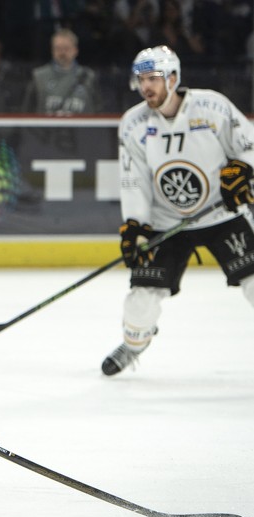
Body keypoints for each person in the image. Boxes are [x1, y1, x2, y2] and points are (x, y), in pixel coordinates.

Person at [101, 45, 254, 375]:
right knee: (140, 301)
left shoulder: (212, 106)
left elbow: (249, 145)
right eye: (141, 80)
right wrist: (135, 226)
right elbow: (134, 180)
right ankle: (133, 345)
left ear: (173, 77)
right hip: (166, 222)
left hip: (222, 215)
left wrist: (242, 169)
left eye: (153, 78)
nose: (146, 87)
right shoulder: (133, 123)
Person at [22, 28, 101, 115]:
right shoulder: (38, 77)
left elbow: (99, 110)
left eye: (66, 48)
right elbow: (27, 112)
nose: (62, 53)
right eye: (58, 48)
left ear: (75, 50)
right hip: (48, 128)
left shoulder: (89, 77)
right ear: (52, 50)